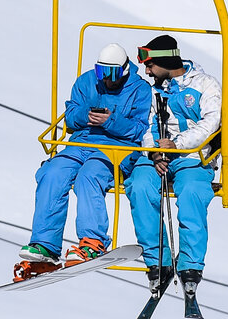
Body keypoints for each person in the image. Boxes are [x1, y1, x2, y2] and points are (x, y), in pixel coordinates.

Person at [15, 43, 151, 282]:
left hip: (117, 148)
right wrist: (85, 115)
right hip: (81, 143)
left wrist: (110, 121)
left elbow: (140, 130)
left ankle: (93, 241)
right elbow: (70, 117)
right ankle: (45, 245)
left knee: (89, 176)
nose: (106, 79)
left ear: (124, 70)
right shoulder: (86, 82)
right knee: (52, 173)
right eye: (101, 72)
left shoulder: (140, 89)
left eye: (112, 73)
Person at [124, 35, 222, 297]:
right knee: (139, 186)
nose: (147, 72)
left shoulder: (205, 84)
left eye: (150, 65)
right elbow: (146, 124)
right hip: (158, 156)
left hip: (193, 156)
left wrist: (177, 144)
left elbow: (210, 123)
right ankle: (159, 261)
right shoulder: (153, 91)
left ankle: (190, 265)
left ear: (166, 61)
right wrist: (155, 151)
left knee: (192, 193)